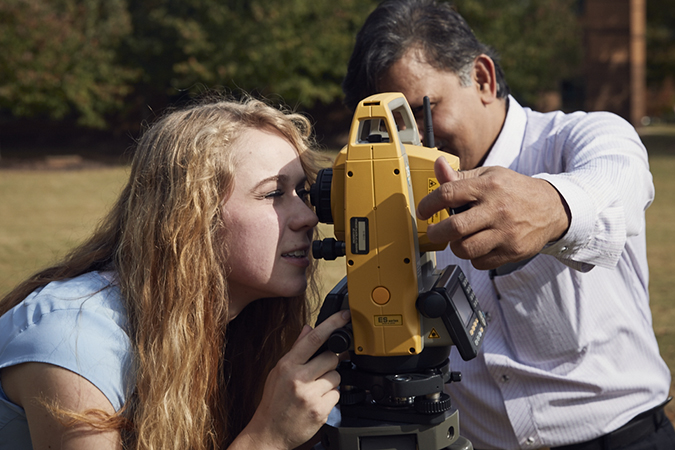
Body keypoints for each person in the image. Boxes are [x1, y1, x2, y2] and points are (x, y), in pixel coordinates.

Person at [342, 0, 674, 449]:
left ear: (482, 78)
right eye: (394, 128)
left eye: (423, 112)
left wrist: (552, 206)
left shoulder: (579, 136)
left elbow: (621, 180)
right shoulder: (387, 187)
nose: (413, 143)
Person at [0, 96, 351, 450]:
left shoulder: (248, 329)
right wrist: (268, 438)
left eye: (302, 192)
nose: (307, 217)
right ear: (191, 217)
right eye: (273, 193)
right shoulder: (73, 337)